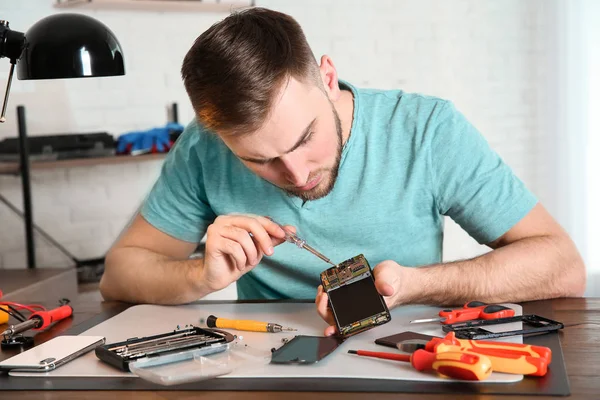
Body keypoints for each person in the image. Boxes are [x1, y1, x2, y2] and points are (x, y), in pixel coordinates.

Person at [100, 7, 585, 336]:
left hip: (405, 349)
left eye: (305, 138)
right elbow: (119, 276)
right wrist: (201, 277)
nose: (294, 174)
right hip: (266, 360)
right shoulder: (204, 146)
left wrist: (416, 285)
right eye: (258, 160)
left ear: (327, 78)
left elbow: (562, 265)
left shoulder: (427, 129)